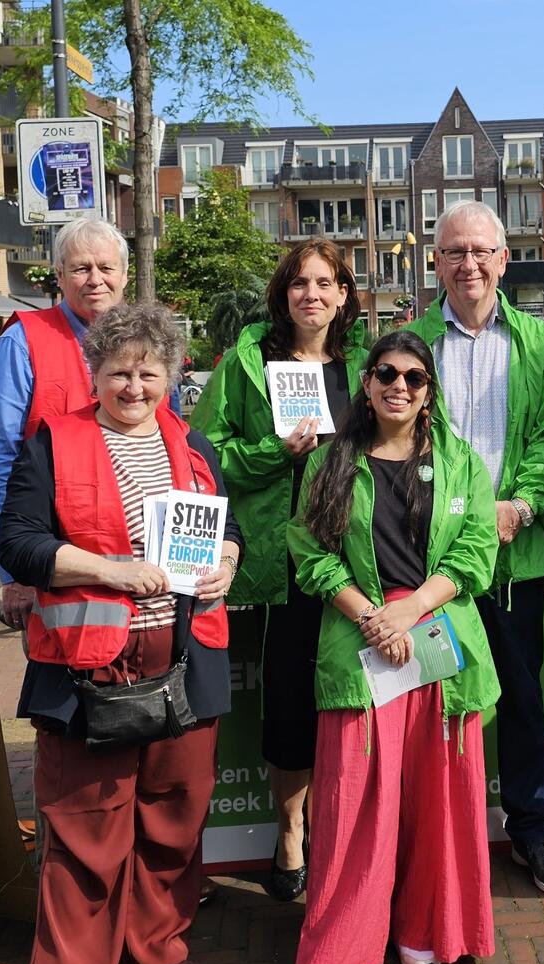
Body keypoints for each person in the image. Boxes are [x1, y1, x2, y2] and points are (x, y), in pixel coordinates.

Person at [0, 303, 241, 964]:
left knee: (175, 817)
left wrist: (228, 556)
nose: (134, 385)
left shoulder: (192, 445)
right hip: (87, 670)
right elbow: (20, 544)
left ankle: (156, 944)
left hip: (185, 661)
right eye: (119, 370)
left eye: (149, 371)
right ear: (94, 373)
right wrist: (112, 571)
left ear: (171, 377)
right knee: (83, 835)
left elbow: (224, 528)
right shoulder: (54, 442)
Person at [278, 331, 498, 964]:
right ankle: (334, 960)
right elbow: (309, 552)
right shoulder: (331, 465)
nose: (399, 386)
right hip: (360, 646)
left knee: (438, 801)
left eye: (413, 376)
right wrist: (374, 617)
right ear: (366, 385)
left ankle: (424, 926)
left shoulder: (459, 460)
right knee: (352, 812)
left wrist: (410, 609)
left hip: (438, 644)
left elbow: (476, 553)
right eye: (385, 374)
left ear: (428, 391)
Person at [404, 201, 544, 898]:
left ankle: (531, 830)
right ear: (436, 261)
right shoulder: (411, 342)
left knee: (524, 699)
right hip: (430, 565)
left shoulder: (538, 344)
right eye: (454, 251)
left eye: (481, 251)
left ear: (504, 260)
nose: (468, 263)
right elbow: (394, 439)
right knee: (437, 694)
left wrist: (522, 505)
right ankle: (441, 834)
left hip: (513, 558)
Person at [192, 239, 367, 903]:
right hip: (285, 558)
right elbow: (203, 452)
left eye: (325, 283)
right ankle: (289, 829)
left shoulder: (363, 365)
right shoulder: (249, 360)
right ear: (283, 292)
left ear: (344, 294)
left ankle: (339, 826)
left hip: (355, 559)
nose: (312, 294)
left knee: (346, 696)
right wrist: (275, 450)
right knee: (290, 696)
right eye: (300, 283)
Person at [0, 217, 132, 631]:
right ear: (59, 276)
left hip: (137, 562)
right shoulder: (23, 342)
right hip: (53, 566)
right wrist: (14, 573)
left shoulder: (145, 344)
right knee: (61, 686)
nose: (95, 279)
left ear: (125, 275)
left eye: (106, 267)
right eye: (81, 268)